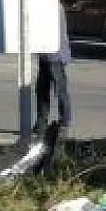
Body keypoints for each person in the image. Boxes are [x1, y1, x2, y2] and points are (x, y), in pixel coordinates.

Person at [32, 9, 72, 139]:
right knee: (42, 90)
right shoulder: (48, 4)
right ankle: (41, 123)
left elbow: (51, 31)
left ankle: (64, 122)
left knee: (59, 90)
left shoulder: (52, 6)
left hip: (55, 55)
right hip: (46, 55)